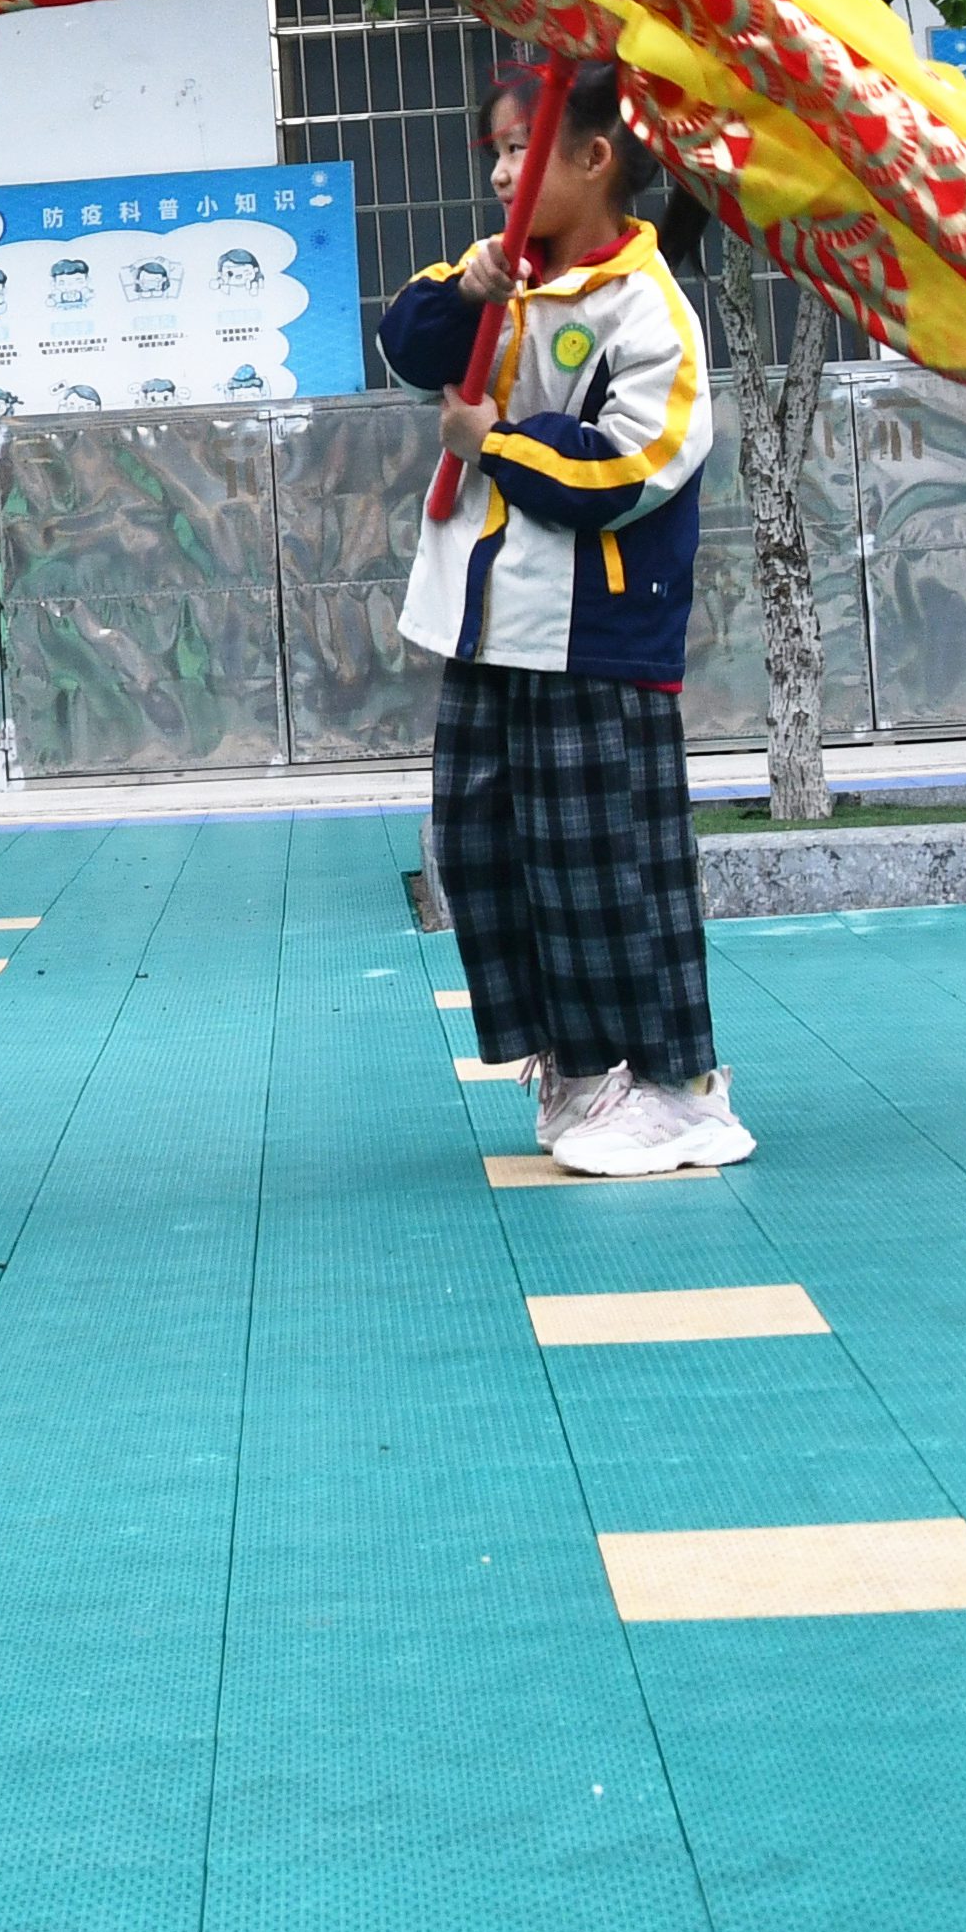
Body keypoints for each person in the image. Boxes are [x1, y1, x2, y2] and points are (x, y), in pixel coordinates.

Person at [380, 62, 746, 1178]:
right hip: (488, 633)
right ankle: (581, 1069)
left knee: (605, 864)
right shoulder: (502, 277)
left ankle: (682, 1089)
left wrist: (493, 441)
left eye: (514, 149)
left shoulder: (649, 308)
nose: (497, 172)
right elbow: (410, 344)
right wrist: (469, 293)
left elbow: (632, 466)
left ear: (591, 159)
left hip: (593, 639)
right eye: (491, 152)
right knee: (492, 855)